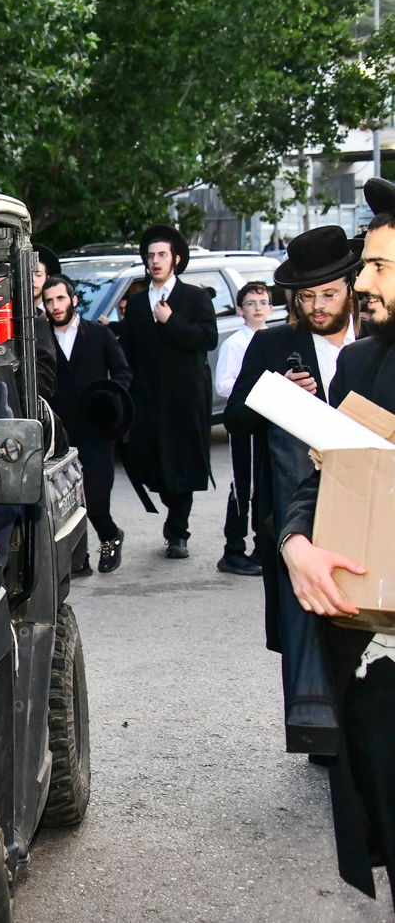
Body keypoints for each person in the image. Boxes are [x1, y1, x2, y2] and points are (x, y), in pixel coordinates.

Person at [279, 178, 395, 909]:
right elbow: (314, 491)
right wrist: (298, 545)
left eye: (380, 266)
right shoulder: (363, 367)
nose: (362, 281)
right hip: (374, 661)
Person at [226, 227, 362, 755]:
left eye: (328, 294)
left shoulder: (375, 340)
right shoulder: (274, 343)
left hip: (363, 501)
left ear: (350, 287)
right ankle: (320, 729)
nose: (317, 306)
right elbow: (235, 418)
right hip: (295, 509)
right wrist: (273, 395)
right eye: (306, 297)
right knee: (307, 616)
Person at [116, 224, 218, 558]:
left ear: (175, 258)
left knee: (182, 463)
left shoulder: (195, 297)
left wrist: (172, 321)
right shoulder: (135, 302)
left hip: (185, 397)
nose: (155, 261)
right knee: (150, 463)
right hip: (147, 398)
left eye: (161, 254)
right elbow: (127, 351)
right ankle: (173, 510)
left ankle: (178, 532)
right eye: (150, 255)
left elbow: (207, 338)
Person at [42, 275, 132, 575]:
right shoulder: (41, 339)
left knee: (95, 497)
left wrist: (110, 400)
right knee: (65, 501)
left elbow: (122, 372)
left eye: (61, 299)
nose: (56, 306)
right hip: (60, 433)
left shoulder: (99, 335)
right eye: (50, 300)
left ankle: (109, 536)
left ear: (74, 300)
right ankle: (79, 559)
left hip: (97, 430)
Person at [212, 281, 273, 577]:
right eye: (251, 303)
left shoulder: (275, 338)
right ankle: (233, 548)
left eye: (263, 303)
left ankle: (262, 547)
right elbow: (223, 385)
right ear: (240, 310)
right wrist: (258, 389)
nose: (258, 308)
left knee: (264, 483)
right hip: (245, 420)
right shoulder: (235, 343)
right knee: (243, 483)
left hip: (269, 421)